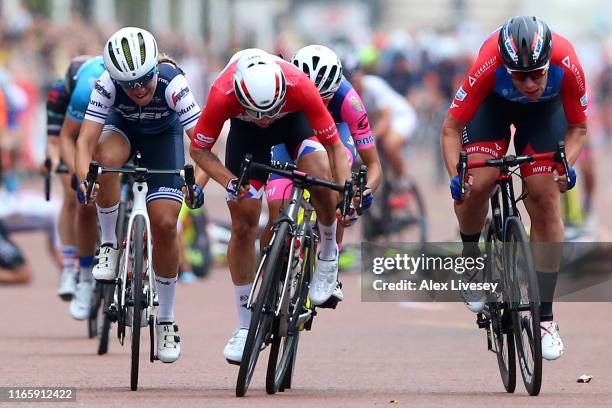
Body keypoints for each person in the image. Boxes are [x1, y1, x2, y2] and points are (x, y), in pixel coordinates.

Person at [189, 48, 351, 364]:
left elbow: (333, 146)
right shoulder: (223, 92)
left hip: (293, 124)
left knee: (319, 176)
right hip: (245, 139)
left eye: (269, 111)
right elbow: (200, 152)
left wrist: (342, 189)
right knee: (243, 225)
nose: (264, 121)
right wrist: (229, 182)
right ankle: (245, 324)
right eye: (257, 113)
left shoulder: (298, 84)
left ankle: (328, 255)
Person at [441, 16, 588, 360]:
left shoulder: (567, 60)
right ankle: (471, 260)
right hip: (490, 109)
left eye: (538, 73)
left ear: (549, 61)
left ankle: (546, 319)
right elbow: (451, 128)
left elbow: (578, 128)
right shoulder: (488, 62)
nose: (530, 83)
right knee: (479, 182)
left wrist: (566, 166)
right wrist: (457, 176)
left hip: (542, 116)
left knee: (545, 196)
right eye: (520, 75)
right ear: (506, 67)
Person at [75, 27, 204, 363]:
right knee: (105, 161)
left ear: (154, 70)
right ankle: (108, 244)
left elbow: (203, 145)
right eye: (129, 85)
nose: (140, 89)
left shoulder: (173, 83)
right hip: (124, 131)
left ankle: (166, 319)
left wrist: (198, 182)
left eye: (145, 80)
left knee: (164, 225)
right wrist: (83, 180)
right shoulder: (106, 84)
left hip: (165, 139)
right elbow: (84, 142)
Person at [264, 44, 383, 303]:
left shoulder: (349, 100)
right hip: (293, 132)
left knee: (338, 187)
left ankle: (330, 262)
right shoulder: (282, 86)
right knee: (276, 207)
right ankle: (273, 274)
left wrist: (362, 192)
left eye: (324, 98)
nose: (316, 103)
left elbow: (374, 164)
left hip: (335, 136)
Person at [44, 55, 105, 320]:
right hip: (70, 140)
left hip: (98, 135)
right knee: (73, 194)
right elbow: (55, 141)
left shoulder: (101, 86)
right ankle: (70, 266)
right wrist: (60, 164)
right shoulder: (60, 93)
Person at [348, 64, 417, 181]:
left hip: (400, 116)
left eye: (356, 80)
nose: (355, 85)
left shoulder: (373, 85)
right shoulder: (348, 94)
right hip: (379, 122)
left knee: (389, 145)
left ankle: (402, 182)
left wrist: (371, 138)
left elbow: (386, 117)